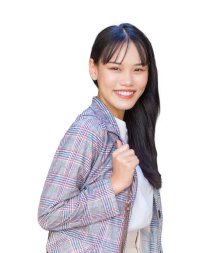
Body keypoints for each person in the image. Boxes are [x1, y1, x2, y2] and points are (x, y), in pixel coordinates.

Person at [38, 23, 163, 253]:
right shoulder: (88, 130)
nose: (127, 81)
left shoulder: (134, 130)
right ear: (94, 69)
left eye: (138, 69)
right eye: (115, 68)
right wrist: (114, 184)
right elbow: (49, 213)